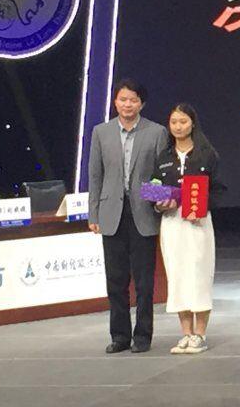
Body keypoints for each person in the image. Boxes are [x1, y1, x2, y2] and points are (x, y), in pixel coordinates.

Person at [88, 78, 169, 354]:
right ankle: (120, 336)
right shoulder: (101, 132)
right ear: (115, 102)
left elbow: (162, 174)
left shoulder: (156, 132)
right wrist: (93, 212)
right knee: (115, 280)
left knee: (144, 282)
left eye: (133, 100)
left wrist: (160, 206)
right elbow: (95, 175)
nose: (127, 104)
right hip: (112, 213)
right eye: (123, 99)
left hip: (143, 212)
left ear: (141, 104)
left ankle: (143, 336)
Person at [152, 103, 223, 354]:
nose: (178, 127)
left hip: (198, 224)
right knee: (177, 274)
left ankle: (200, 334)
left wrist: (202, 207)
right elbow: (153, 187)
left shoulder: (207, 154)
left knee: (199, 274)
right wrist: (159, 203)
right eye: (174, 122)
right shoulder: (163, 157)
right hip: (172, 224)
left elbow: (219, 190)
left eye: (183, 121)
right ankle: (186, 333)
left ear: (192, 123)